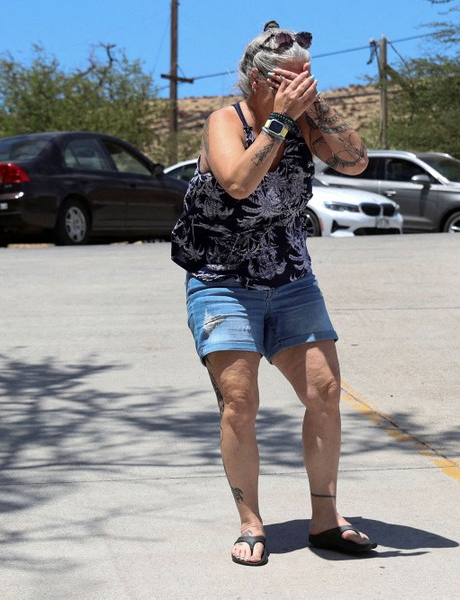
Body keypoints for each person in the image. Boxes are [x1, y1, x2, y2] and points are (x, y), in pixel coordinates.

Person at [170, 21, 375, 567]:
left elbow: (357, 161)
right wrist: (281, 120)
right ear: (260, 80)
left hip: (290, 279)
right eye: (293, 78)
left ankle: (326, 519)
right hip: (221, 282)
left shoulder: (307, 123)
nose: (304, 85)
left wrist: (316, 108)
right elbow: (239, 182)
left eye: (309, 76)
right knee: (240, 403)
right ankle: (251, 522)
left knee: (325, 391)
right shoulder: (225, 121)